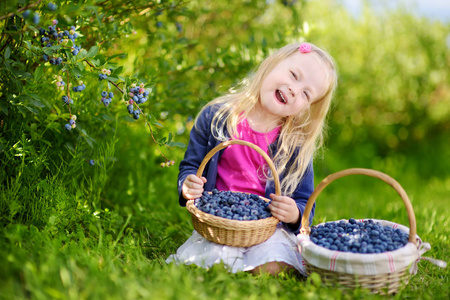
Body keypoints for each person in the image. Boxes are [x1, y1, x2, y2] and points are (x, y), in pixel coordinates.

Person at [166, 42, 338, 276]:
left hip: (267, 229)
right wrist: (187, 185)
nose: (294, 90)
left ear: (306, 107)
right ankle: (234, 262)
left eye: (306, 93)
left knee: (274, 262)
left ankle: (248, 264)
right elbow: (191, 166)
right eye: (294, 75)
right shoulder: (216, 116)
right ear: (272, 64)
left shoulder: (295, 144)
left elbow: (304, 203)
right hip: (220, 222)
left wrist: (294, 214)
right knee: (211, 256)